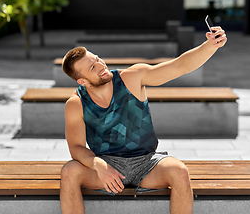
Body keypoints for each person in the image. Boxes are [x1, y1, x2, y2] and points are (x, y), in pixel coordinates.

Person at [60, 27, 227, 214]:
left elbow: (179, 66)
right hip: (107, 166)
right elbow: (76, 148)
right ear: (82, 81)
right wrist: (99, 165)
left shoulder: (131, 78)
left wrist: (210, 45)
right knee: (70, 171)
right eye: (92, 67)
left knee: (179, 171)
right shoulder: (76, 104)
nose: (101, 65)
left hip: (147, 162)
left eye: (97, 59)